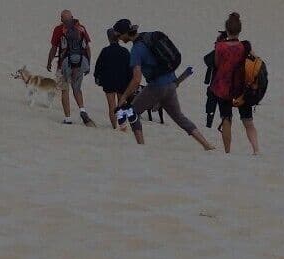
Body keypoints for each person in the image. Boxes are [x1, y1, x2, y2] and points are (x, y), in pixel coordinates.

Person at [110, 20, 214, 150]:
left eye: (119, 35)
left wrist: (124, 97)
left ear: (126, 34)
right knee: (180, 118)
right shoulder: (149, 37)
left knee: (133, 113)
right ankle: (206, 145)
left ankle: (140, 146)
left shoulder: (136, 50)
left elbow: (137, 80)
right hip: (171, 83)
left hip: (156, 87)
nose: (118, 38)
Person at [205, 13, 261, 155]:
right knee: (248, 121)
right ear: (239, 30)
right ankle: (256, 150)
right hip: (242, 87)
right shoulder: (245, 46)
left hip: (223, 87)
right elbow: (255, 60)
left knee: (226, 118)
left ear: (227, 30)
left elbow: (217, 63)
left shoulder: (220, 46)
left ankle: (228, 152)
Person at [46, 10, 95, 126]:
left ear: (61, 20)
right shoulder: (81, 28)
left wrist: (49, 62)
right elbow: (87, 47)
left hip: (64, 64)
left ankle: (67, 118)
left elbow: (53, 48)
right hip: (79, 63)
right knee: (77, 89)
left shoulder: (58, 30)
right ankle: (82, 110)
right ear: (72, 18)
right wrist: (88, 63)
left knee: (65, 90)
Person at [91, 23, 137, 132]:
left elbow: (99, 67)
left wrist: (98, 78)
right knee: (121, 104)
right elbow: (130, 69)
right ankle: (122, 127)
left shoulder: (105, 51)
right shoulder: (125, 52)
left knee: (111, 106)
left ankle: (114, 126)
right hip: (122, 82)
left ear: (108, 38)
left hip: (109, 81)